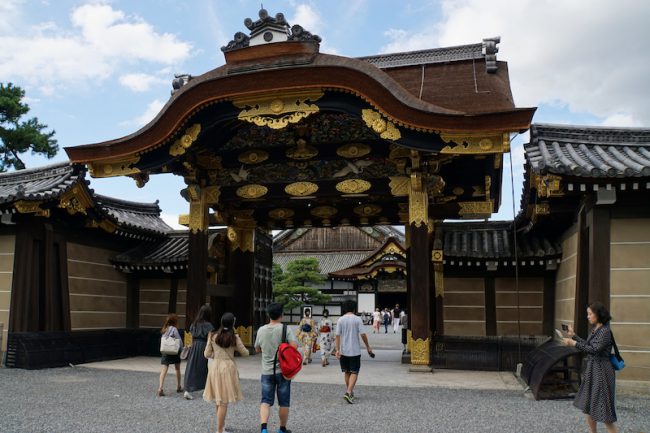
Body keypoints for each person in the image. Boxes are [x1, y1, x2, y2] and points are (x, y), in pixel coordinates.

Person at [562, 302, 619, 433]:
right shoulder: (596, 329)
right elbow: (588, 345)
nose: (587, 316)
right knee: (588, 406)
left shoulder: (605, 331)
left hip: (602, 371)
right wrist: (574, 336)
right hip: (593, 369)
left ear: (598, 315)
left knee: (604, 410)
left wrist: (573, 343)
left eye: (590, 314)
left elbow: (594, 349)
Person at [254, 302, 298, 433]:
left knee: (265, 401)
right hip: (283, 371)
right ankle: (282, 429)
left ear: (268, 314)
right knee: (284, 402)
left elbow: (257, 349)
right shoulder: (285, 329)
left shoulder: (261, 330)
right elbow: (294, 347)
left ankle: (264, 429)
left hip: (266, 371)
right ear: (281, 314)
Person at [204, 312, 249, 433]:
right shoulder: (234, 337)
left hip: (215, 367)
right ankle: (219, 430)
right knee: (223, 402)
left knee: (218, 400)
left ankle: (221, 426)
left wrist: (217, 355)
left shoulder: (213, 336)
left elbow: (206, 354)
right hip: (228, 368)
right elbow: (245, 353)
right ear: (232, 323)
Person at [335, 299, 373, 404]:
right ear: (354, 309)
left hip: (343, 351)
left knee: (347, 372)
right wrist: (368, 346)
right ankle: (348, 392)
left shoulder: (340, 320)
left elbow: (337, 336)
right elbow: (363, 334)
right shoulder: (357, 319)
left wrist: (337, 350)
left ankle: (350, 392)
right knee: (355, 372)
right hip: (355, 351)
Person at [183, 304, 215, 400]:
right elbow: (209, 339)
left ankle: (187, 389)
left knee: (191, 368)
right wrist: (211, 350)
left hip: (194, 346)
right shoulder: (209, 325)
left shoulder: (194, 324)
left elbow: (191, 338)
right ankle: (206, 389)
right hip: (203, 346)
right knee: (203, 368)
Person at [157, 314, 183, 397]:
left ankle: (160, 388)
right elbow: (179, 340)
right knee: (177, 368)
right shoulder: (174, 329)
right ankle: (178, 386)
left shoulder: (165, 329)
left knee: (164, 369)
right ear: (175, 322)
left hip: (166, 351)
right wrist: (182, 349)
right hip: (174, 351)